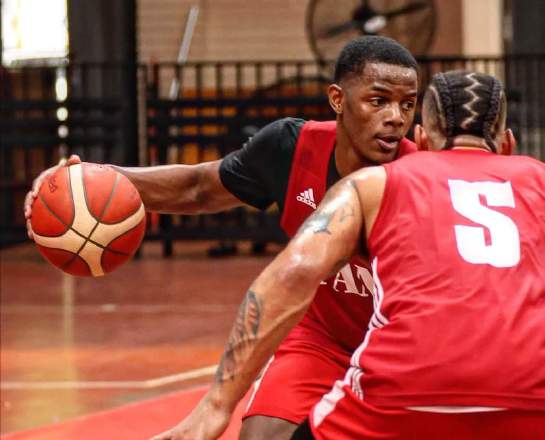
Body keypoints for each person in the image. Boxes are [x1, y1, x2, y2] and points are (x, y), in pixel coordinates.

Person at [154, 70, 545, 439]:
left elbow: (291, 274)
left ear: (425, 134)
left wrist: (216, 406)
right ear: (508, 143)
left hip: (403, 393)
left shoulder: (377, 183)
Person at [24, 36, 420, 440]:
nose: (395, 117)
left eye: (407, 105)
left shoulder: (424, 173)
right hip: (323, 340)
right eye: (379, 101)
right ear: (337, 99)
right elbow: (198, 187)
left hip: (403, 347)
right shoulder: (290, 147)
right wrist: (90, 180)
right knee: (261, 436)